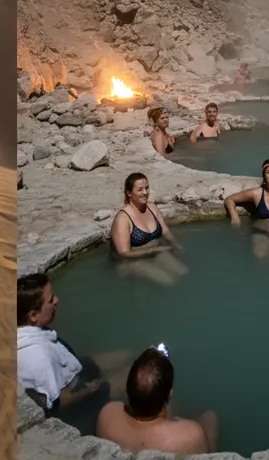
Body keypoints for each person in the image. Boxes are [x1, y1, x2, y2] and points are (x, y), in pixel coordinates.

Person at [95, 346, 218, 455]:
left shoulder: (108, 414)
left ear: (129, 390)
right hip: (170, 436)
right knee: (209, 417)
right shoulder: (190, 436)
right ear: (170, 395)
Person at [17, 272, 109, 413]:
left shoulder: (25, 330)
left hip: (75, 372)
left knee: (131, 356)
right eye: (51, 299)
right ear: (34, 316)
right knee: (126, 377)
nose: (57, 300)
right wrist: (91, 390)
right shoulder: (39, 357)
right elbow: (61, 400)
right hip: (77, 391)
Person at [111, 173, 187, 284]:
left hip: (155, 252)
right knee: (168, 281)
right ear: (129, 193)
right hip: (133, 260)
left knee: (183, 272)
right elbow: (123, 252)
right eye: (140, 190)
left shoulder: (152, 208)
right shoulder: (122, 218)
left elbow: (165, 231)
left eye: (147, 188)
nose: (145, 193)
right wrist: (151, 250)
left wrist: (175, 244)